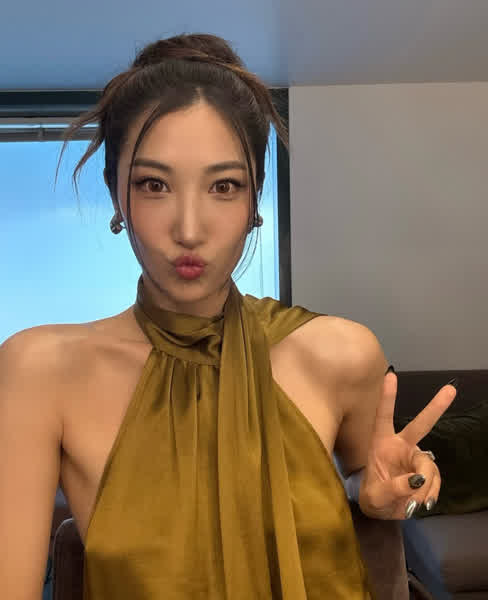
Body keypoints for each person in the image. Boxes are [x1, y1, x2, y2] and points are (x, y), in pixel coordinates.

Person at [0, 33, 457, 600]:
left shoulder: (340, 354)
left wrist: (392, 494)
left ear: (254, 200)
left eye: (224, 186)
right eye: (153, 184)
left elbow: (368, 485)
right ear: (116, 194)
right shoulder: (39, 373)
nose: (189, 229)